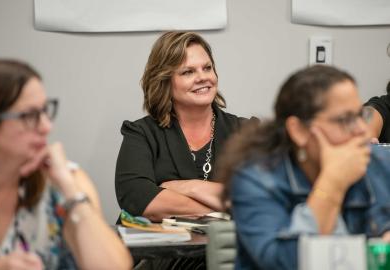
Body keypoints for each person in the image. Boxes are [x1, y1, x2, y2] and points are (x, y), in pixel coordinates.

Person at [217, 65, 390, 270]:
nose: (362, 131)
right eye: (345, 120)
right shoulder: (255, 178)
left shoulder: (378, 162)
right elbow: (283, 263)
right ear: (298, 130)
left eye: (361, 116)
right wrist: (333, 182)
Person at [0, 59, 132, 270]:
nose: (47, 126)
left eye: (45, 111)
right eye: (29, 116)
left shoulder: (67, 182)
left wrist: (69, 190)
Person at [115, 31, 256, 222]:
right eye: (188, 72)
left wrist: (188, 187)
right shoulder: (141, 133)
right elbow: (138, 200)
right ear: (164, 81)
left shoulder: (246, 132)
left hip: (229, 250)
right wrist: (223, 210)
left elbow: (260, 198)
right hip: (157, 251)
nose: (202, 77)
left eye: (207, 68)